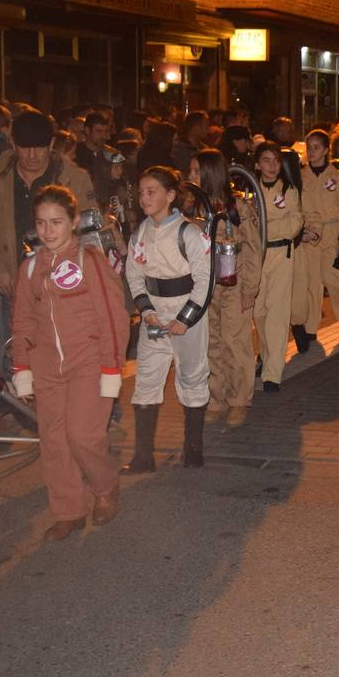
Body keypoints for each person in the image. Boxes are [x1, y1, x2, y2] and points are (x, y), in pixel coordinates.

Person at [10, 186, 128, 540]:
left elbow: (113, 318)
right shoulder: (30, 268)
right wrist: (22, 368)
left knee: (82, 436)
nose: (48, 231)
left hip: (88, 362)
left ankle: (105, 487)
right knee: (54, 441)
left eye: (56, 222)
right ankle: (68, 510)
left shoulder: (89, 260)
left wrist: (112, 369)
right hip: (47, 367)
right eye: (41, 223)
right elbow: (22, 322)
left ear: (74, 221)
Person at [0, 112, 98, 368]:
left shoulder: (72, 177)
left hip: (60, 280)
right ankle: (17, 388)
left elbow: (89, 229)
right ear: (13, 144)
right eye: (25, 148)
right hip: (15, 275)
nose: (32, 156)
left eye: (39, 148)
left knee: (61, 346)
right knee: (17, 343)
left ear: (51, 144)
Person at [121, 165, 212, 472]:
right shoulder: (140, 234)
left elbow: (204, 279)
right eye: (141, 192)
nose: (144, 198)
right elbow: (134, 276)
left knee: (192, 377)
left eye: (152, 192)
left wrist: (185, 319)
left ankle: (193, 449)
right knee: (146, 380)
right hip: (155, 318)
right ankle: (143, 456)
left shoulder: (189, 233)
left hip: (187, 316)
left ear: (171, 195)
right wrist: (146, 311)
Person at [190, 149, 260, 427]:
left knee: (235, 342)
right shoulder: (194, 209)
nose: (190, 176)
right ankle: (216, 398)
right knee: (212, 343)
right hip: (206, 287)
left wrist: (250, 288)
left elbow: (253, 250)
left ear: (210, 174)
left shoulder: (237, 209)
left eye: (196, 171)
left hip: (234, 284)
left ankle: (239, 400)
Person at [291, 129, 339, 350]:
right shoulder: (301, 177)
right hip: (310, 234)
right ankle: (311, 328)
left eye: (317, 147)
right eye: (309, 148)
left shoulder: (337, 177)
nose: (312, 152)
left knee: (332, 277)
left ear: (326, 150)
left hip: (333, 232)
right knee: (311, 282)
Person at [252, 142, 303, 392]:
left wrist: (267, 228)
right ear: (257, 164)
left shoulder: (288, 190)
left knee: (277, 313)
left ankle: (273, 373)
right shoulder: (250, 191)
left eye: (275, 161)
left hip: (281, 254)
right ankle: (265, 354)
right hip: (256, 256)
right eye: (266, 160)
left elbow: (295, 223)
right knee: (258, 312)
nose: (272, 166)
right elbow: (247, 224)